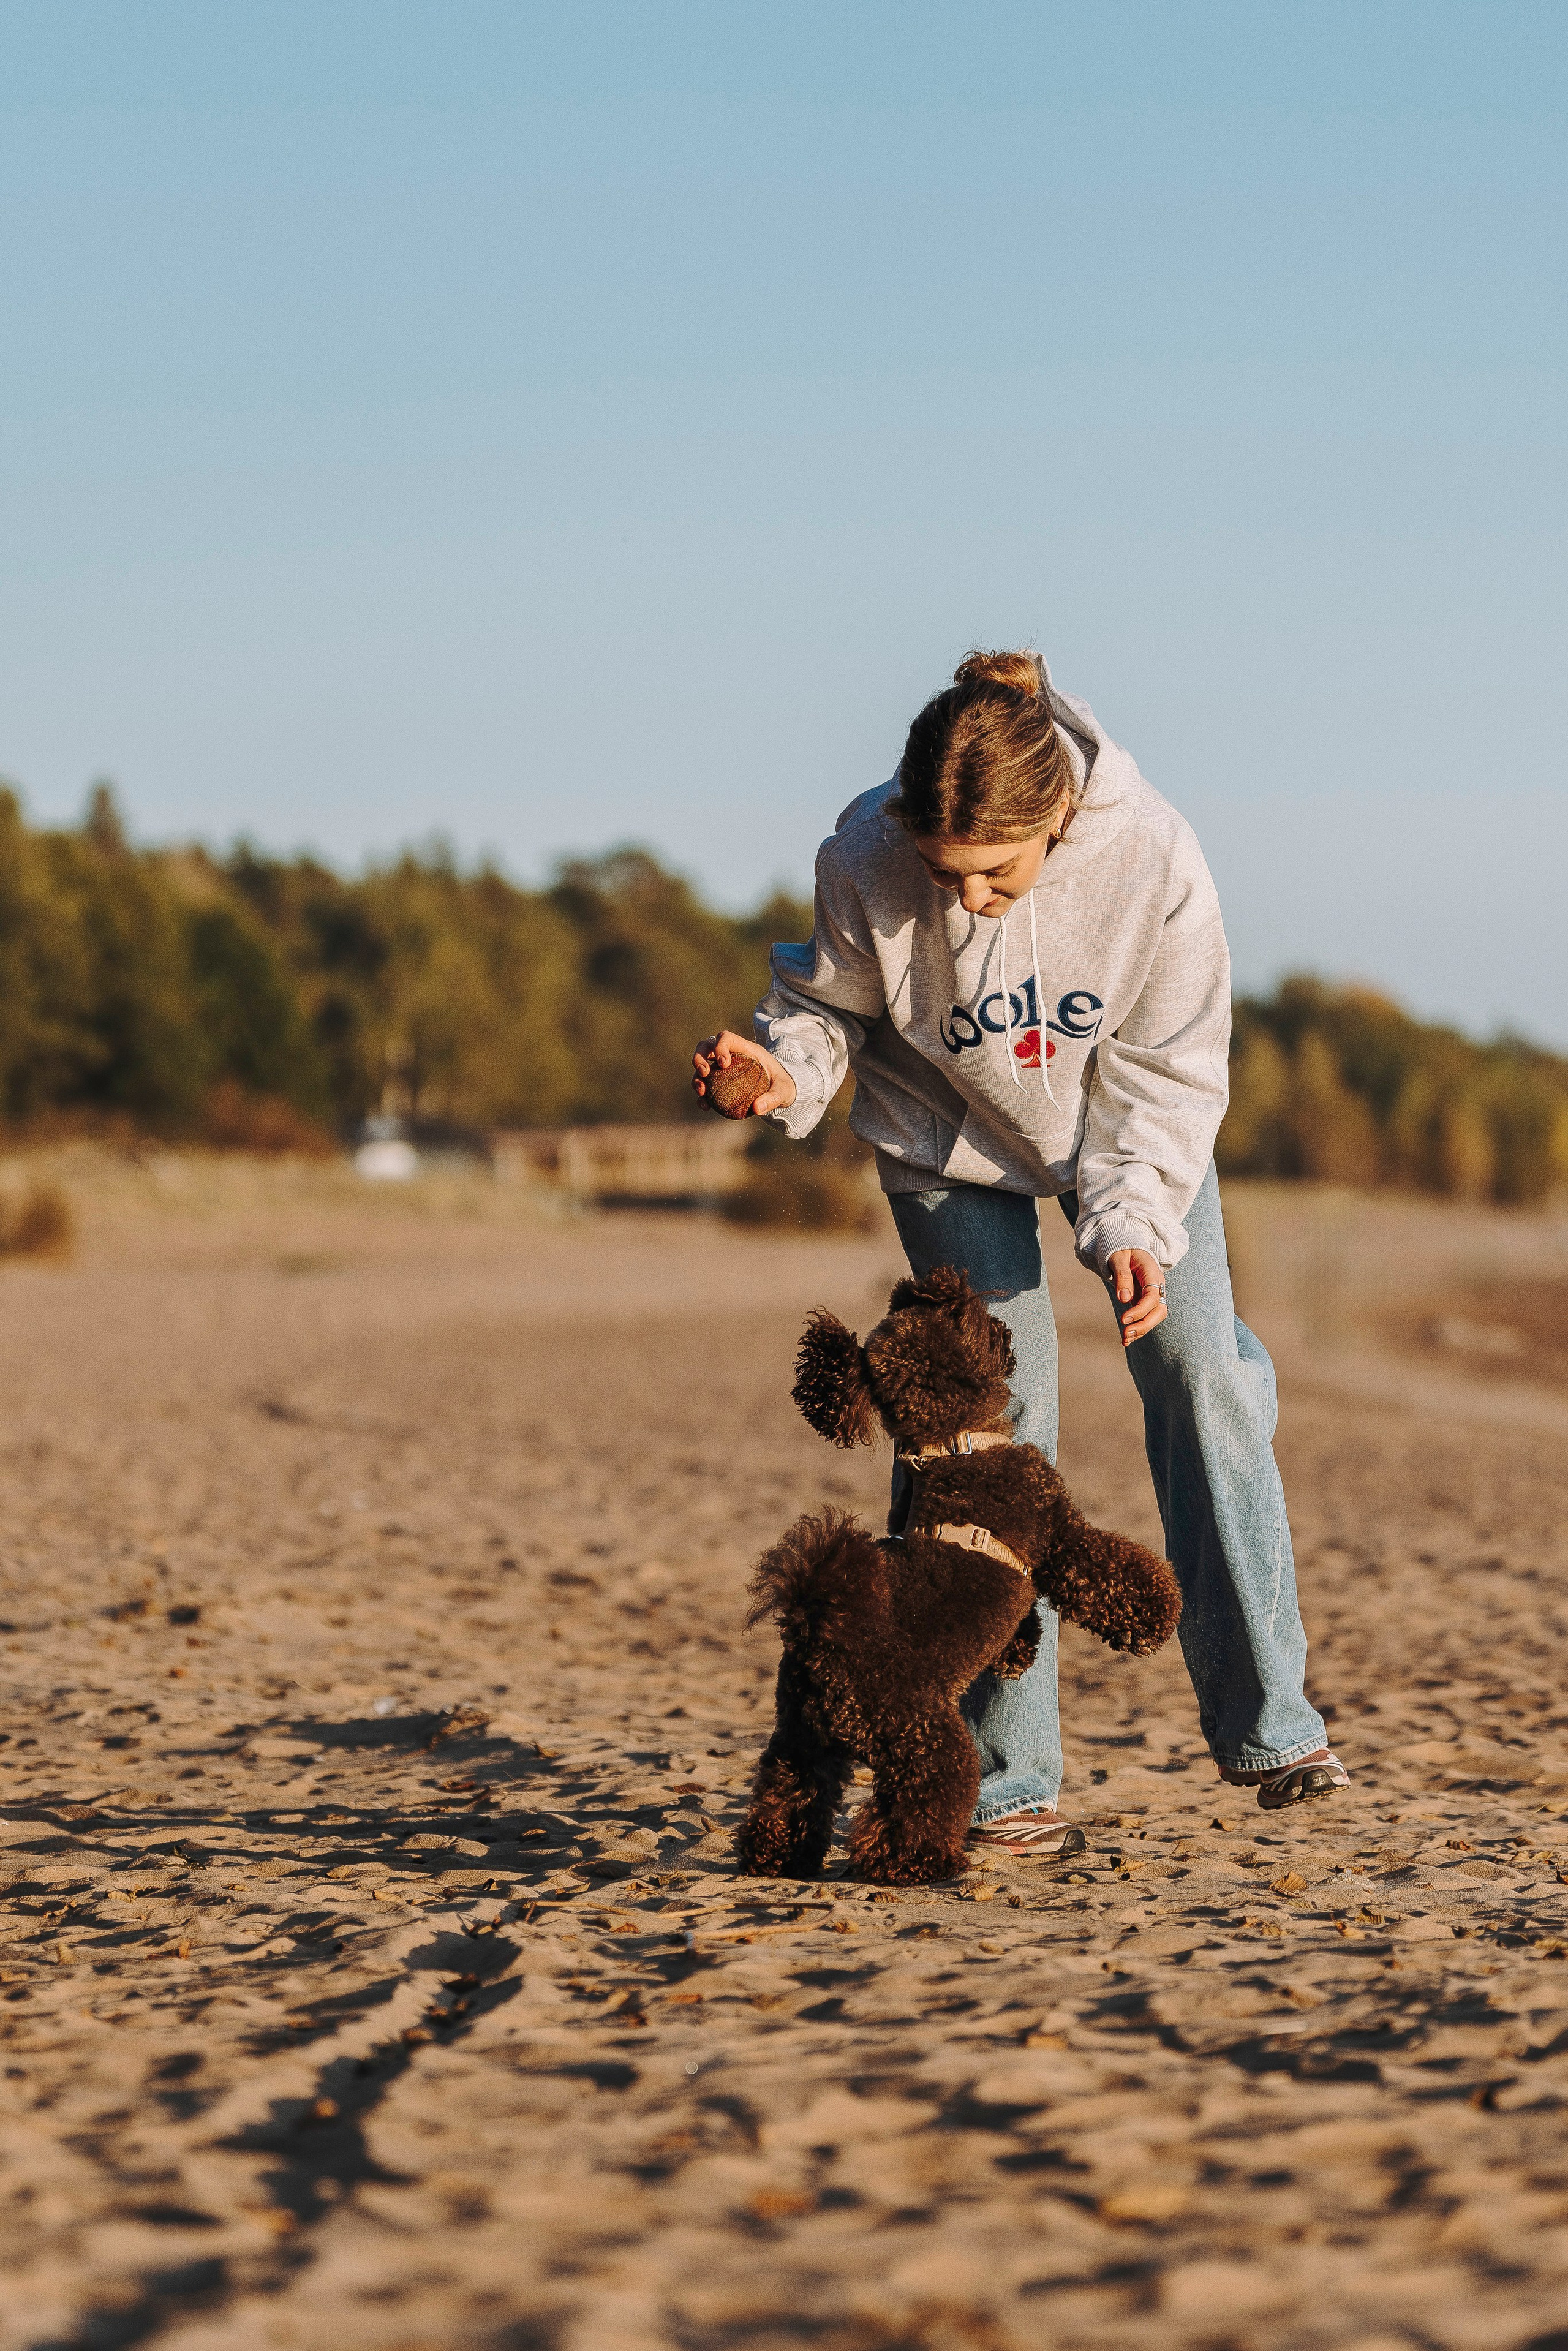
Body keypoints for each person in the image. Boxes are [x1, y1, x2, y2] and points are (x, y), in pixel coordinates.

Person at [693, 649, 1346, 1858]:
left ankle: (1273, 1723)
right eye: (946, 877)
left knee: (1200, 1371)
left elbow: (1165, 1071)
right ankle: (998, 1773)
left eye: (994, 874)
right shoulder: (865, 854)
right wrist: (779, 1069)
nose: (969, 903)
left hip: (1128, 1130)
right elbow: (830, 1007)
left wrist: (1133, 1228)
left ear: (1055, 820)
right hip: (944, 1139)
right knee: (980, 1432)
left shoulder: (1152, 857)